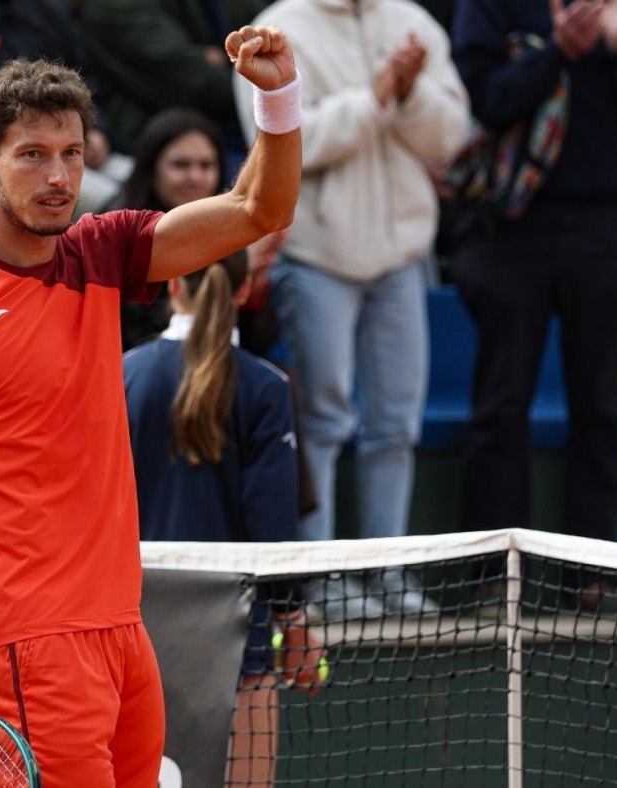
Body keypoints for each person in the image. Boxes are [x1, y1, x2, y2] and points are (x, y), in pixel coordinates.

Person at [0, 21, 301, 784]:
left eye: (73, 154)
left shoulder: (102, 252)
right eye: (33, 155)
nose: (59, 176)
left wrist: (279, 98)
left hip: (121, 632)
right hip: (20, 645)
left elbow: (260, 209)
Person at [236, 0, 469, 619]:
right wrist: (376, 97)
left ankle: (387, 570)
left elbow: (450, 136)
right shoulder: (279, 28)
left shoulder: (411, 20)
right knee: (322, 420)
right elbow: (288, 144)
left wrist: (409, 92)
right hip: (316, 255)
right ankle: (320, 576)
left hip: (401, 258)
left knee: (396, 424)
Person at [451, 0, 617, 608]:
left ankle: (590, 578)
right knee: (501, 404)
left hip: (609, 224)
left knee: (603, 406)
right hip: (511, 227)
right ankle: (492, 576)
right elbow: (483, 99)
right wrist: (557, 52)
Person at [122, 251, 324, 785]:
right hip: (237, 643)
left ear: (173, 286)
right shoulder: (267, 386)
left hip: (131, 630)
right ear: (244, 292)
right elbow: (272, 525)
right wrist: (295, 625)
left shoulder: (120, 375)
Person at [77, 0, 269, 167]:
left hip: (239, 122)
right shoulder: (114, 6)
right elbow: (197, 81)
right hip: (161, 144)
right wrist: (261, 77)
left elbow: (271, 34)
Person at [116, 107, 228, 351]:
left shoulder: (231, 230)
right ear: (151, 169)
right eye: (180, 165)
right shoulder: (115, 231)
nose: (195, 177)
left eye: (206, 165)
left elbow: (257, 337)